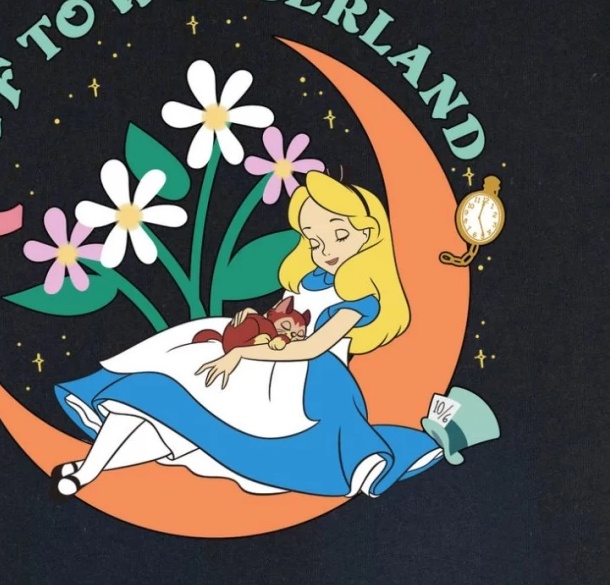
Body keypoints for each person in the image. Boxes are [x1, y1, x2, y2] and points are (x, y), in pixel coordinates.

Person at [51, 174, 448, 500]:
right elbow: (280, 319)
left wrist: (242, 355)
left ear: (368, 234)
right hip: (266, 353)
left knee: (184, 415)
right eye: (314, 241)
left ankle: (87, 470)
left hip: (309, 382)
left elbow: (311, 347)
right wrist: (252, 324)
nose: (325, 250)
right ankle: (87, 471)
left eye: (339, 235)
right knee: (164, 399)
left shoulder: (359, 300)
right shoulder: (308, 278)